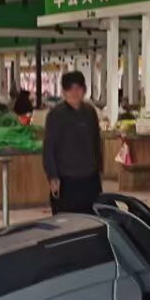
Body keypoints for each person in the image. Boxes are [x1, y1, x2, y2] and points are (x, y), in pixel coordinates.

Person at [43, 70, 103, 214]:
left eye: (78, 88)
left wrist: (99, 169)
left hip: (90, 178)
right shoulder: (55, 115)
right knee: (66, 222)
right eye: (70, 89)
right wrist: (53, 176)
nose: (74, 92)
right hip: (66, 180)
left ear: (84, 90)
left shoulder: (90, 112)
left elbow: (96, 142)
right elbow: (49, 148)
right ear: (64, 92)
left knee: (92, 220)